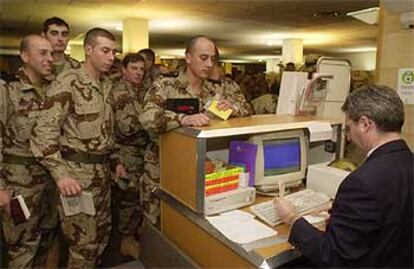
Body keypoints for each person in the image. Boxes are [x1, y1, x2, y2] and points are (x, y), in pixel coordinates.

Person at [274, 85, 413, 267]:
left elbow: (332, 256)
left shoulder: (362, 182)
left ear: (365, 124)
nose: (348, 137)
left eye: (348, 129)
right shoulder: (407, 161)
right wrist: (341, 211)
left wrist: (292, 217)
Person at [30, 28, 124, 268]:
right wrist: (61, 175)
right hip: (77, 179)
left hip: (101, 176)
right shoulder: (68, 82)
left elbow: (105, 130)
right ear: (89, 50)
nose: (111, 57)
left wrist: (115, 161)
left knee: (102, 237)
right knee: (83, 246)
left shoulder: (104, 85)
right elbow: (43, 132)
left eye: (113, 51)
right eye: (105, 51)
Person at [139, 35, 250, 227]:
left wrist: (233, 109)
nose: (209, 64)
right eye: (203, 58)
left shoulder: (215, 89)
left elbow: (247, 108)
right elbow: (147, 117)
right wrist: (182, 119)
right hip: (163, 167)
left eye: (212, 59)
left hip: (198, 168)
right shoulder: (166, 84)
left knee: (188, 223)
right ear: (188, 58)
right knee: (157, 221)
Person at [0, 34, 54, 268]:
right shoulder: (7, 90)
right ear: (24, 56)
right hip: (19, 182)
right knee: (23, 245)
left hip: (48, 180)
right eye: (43, 53)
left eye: (51, 53)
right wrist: (1, 187)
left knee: (46, 239)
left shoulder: (52, 90)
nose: (50, 59)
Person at [110, 53, 149, 259]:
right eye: (134, 68)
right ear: (124, 70)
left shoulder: (136, 91)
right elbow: (125, 127)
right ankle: (126, 241)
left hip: (139, 152)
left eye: (141, 69)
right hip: (126, 154)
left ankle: (132, 236)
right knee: (129, 198)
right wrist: (152, 122)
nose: (138, 73)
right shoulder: (121, 92)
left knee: (136, 197)